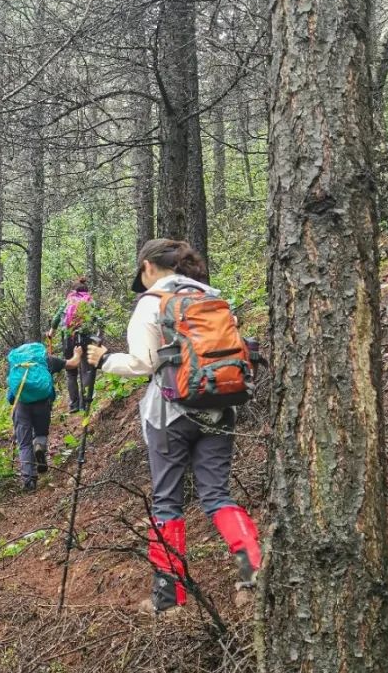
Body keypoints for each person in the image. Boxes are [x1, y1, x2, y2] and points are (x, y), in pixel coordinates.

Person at [86, 238, 262, 614]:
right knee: (217, 495)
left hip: (169, 414)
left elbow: (142, 363)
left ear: (148, 267)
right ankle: (253, 571)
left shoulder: (150, 304)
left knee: (167, 500)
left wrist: (103, 360)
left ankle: (169, 599)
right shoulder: (212, 297)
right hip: (219, 405)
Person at [6, 340, 83, 492]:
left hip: (21, 405)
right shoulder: (46, 360)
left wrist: (12, 402)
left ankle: (29, 480)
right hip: (42, 404)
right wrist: (78, 353)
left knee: (24, 443)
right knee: (41, 433)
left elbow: (11, 387)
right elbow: (73, 364)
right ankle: (40, 447)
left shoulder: (17, 363)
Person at [47, 277, 98, 413]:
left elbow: (57, 316)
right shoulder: (90, 301)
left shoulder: (68, 300)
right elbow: (97, 319)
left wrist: (51, 331)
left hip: (68, 337)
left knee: (71, 372)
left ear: (73, 290)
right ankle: (85, 402)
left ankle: (73, 405)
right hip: (85, 337)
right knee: (86, 369)